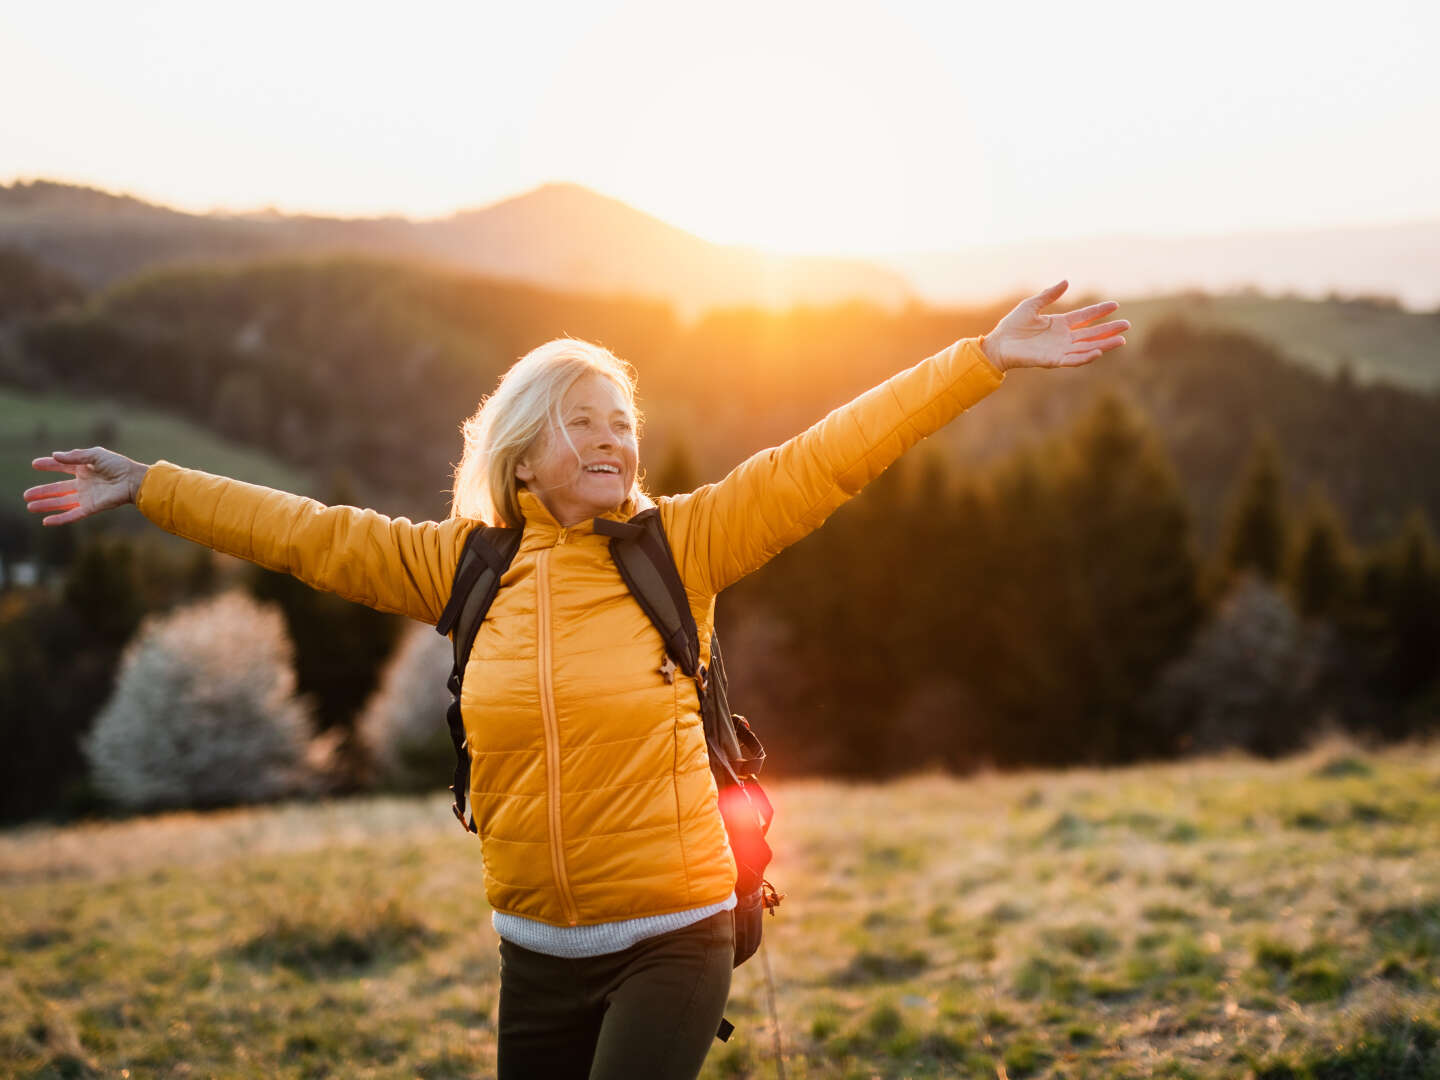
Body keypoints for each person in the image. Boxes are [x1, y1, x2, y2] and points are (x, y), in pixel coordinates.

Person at [25, 278, 1128, 1079]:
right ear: (521, 450)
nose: (614, 440)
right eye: (583, 421)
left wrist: (978, 359)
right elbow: (304, 534)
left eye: (624, 424)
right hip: (534, 949)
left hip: (677, 932)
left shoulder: (681, 548)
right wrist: (151, 485)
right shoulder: (462, 568)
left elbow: (830, 453)